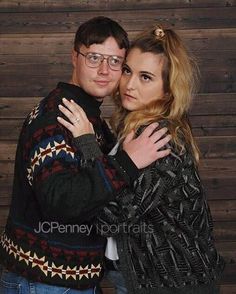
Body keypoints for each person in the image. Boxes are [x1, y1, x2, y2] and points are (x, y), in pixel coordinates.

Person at [0, 17, 171, 293]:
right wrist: (127, 162)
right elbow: (61, 201)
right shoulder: (57, 117)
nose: (105, 70)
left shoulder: (93, 121)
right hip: (44, 281)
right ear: (74, 57)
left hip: (71, 279)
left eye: (116, 61)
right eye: (94, 57)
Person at [57, 24, 225, 294]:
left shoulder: (161, 141)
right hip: (143, 278)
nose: (129, 84)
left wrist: (87, 145)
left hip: (171, 285)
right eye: (127, 71)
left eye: (145, 77)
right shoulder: (133, 127)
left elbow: (108, 218)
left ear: (167, 90)